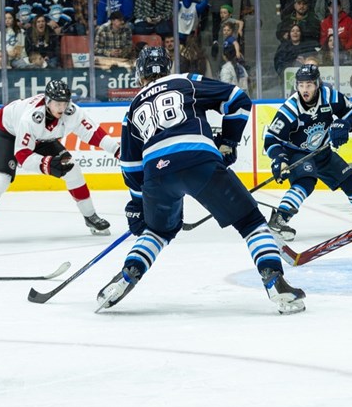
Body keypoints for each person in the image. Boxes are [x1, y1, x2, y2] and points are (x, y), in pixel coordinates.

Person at [97, 47, 306, 315]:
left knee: (157, 231)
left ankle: (129, 273)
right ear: (167, 67)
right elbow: (237, 99)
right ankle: (275, 280)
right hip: (198, 161)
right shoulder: (184, 81)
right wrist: (229, 142)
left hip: (156, 176)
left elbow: (130, 164)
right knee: (251, 222)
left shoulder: (133, 107)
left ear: (139, 74)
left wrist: (138, 204)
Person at [0, 80, 119, 245]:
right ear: (48, 101)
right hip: (8, 133)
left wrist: (118, 150)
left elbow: (95, 134)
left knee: (72, 169)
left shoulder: (72, 111)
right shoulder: (30, 118)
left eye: (65, 103)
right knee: (0, 180)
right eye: (58, 104)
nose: (62, 108)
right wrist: (47, 164)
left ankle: (90, 216)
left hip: (42, 138)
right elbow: (22, 156)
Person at [264, 64, 352, 241]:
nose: (305, 89)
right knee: (306, 181)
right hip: (298, 153)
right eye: (301, 85)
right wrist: (279, 159)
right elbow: (271, 139)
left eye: (309, 84)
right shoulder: (290, 109)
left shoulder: (330, 97)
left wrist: (346, 124)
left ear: (317, 84)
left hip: (323, 151)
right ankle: (279, 219)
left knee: (351, 181)